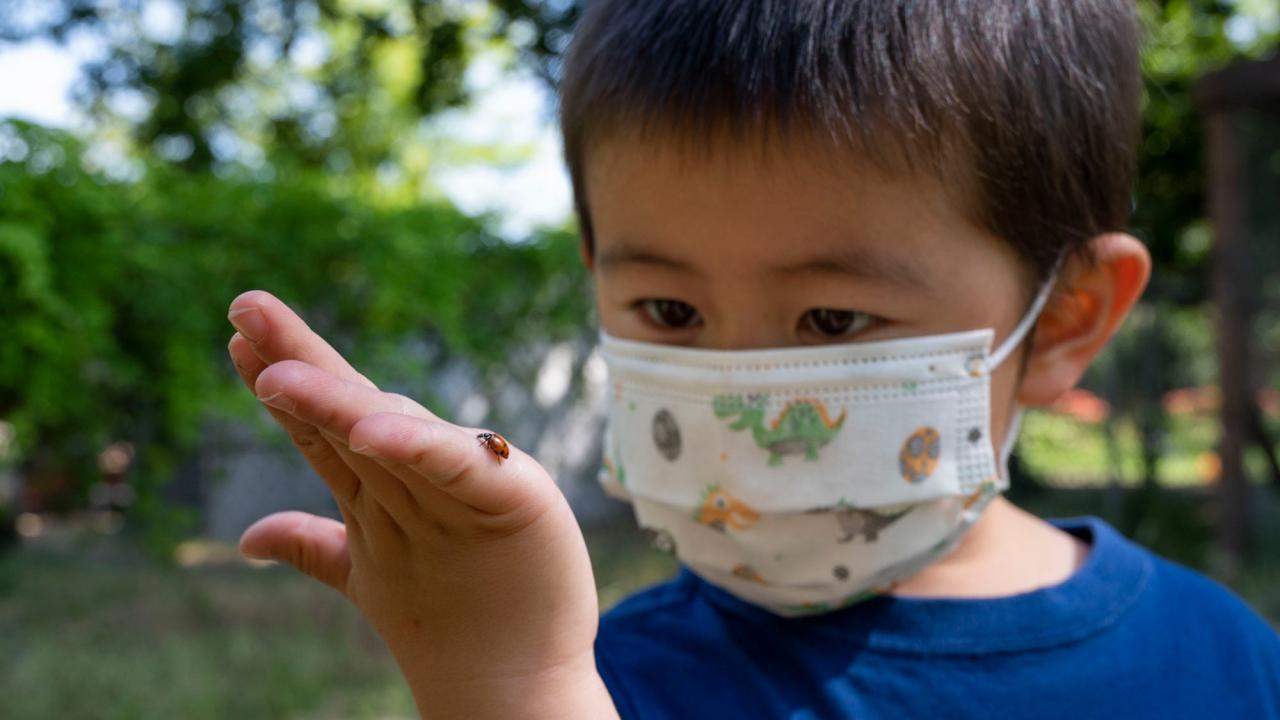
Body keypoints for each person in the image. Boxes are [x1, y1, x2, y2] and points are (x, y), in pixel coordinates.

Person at [224, 1, 1280, 717]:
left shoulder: (1224, 665)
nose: (737, 390)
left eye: (829, 320)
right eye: (670, 306)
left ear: (1064, 322)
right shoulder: (595, 679)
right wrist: (510, 686)